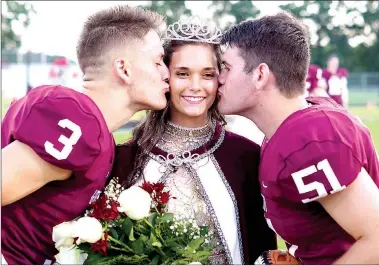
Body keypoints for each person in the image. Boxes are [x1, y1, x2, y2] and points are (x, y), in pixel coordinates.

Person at [1, 5, 170, 265]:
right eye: (158, 61)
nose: (166, 73)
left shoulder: (96, 129)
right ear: (124, 69)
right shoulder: (78, 118)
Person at [217, 12, 379, 265]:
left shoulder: (306, 142)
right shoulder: (292, 126)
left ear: (260, 75)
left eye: (226, 68)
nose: (218, 78)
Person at [110, 17, 277, 265]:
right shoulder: (126, 158)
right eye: (183, 74)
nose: (196, 86)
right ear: (165, 76)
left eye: (207, 74)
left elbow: (262, 246)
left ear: (219, 79)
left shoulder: (247, 157)